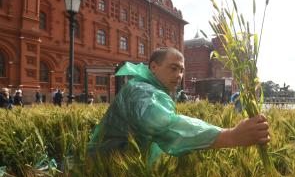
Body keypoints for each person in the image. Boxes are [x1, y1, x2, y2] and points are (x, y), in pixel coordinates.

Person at [88, 47, 269, 164]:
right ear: (153, 67)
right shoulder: (140, 91)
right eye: (173, 68)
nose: (179, 75)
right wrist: (231, 136)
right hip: (105, 172)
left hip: (123, 170)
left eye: (182, 70)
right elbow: (165, 125)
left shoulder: (150, 88)